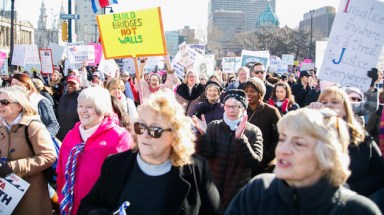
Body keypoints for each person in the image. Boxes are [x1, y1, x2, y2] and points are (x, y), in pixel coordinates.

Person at [78, 89, 222, 215]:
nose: (145, 135)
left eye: (155, 130)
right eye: (141, 127)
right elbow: (86, 207)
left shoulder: (196, 169)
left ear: (175, 135)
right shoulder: (115, 164)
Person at [225, 108, 381, 215]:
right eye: (283, 139)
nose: (282, 150)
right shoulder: (258, 190)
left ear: (326, 154)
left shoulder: (358, 210)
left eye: (298, 143)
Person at [57, 87, 133, 215]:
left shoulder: (119, 137)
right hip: (71, 209)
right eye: (80, 106)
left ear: (102, 109)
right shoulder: (71, 136)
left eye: (89, 107)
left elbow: (126, 181)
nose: (83, 111)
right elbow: (60, 172)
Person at [193, 89, 263, 208]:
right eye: (228, 106)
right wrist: (203, 136)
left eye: (236, 106)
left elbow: (254, 161)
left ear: (244, 108)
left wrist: (240, 139)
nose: (231, 110)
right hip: (212, 188)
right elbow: (205, 155)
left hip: (238, 192)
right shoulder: (214, 126)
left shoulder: (253, 131)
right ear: (224, 107)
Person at [309, 86, 384, 197]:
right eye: (324, 102)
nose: (328, 105)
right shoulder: (306, 135)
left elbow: (379, 174)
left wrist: (353, 188)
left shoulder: (361, 138)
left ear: (345, 110)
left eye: (334, 102)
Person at [0, 86, 56, 214]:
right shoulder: (2, 126)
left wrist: (14, 166)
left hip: (30, 192)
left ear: (19, 106)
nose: (0, 106)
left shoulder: (33, 126)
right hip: (6, 194)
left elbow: (48, 156)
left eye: (4, 102)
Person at [243, 77, 281, 176]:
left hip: (265, 166)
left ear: (260, 93)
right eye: (246, 91)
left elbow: (279, 137)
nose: (248, 94)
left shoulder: (271, 111)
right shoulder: (241, 110)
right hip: (244, 164)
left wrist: (267, 156)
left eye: (253, 91)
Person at [56, 76, 81, 141]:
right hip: (61, 134)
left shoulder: (81, 97)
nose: (70, 85)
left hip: (75, 135)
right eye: (69, 83)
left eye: (73, 83)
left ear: (79, 85)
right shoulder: (63, 97)